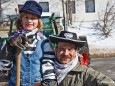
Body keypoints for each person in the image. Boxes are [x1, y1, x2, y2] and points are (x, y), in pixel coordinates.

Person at [7, 1, 57, 86]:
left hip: (36, 84)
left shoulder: (44, 42)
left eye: (33, 18)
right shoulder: (13, 39)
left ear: (38, 21)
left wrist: (49, 80)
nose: (29, 21)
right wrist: (9, 45)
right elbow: (4, 65)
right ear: (21, 20)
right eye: (26, 17)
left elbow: (48, 63)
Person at [49, 31, 115, 86]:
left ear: (76, 51)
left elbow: (109, 83)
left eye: (70, 49)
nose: (65, 53)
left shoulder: (84, 74)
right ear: (56, 49)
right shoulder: (45, 70)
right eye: (62, 49)